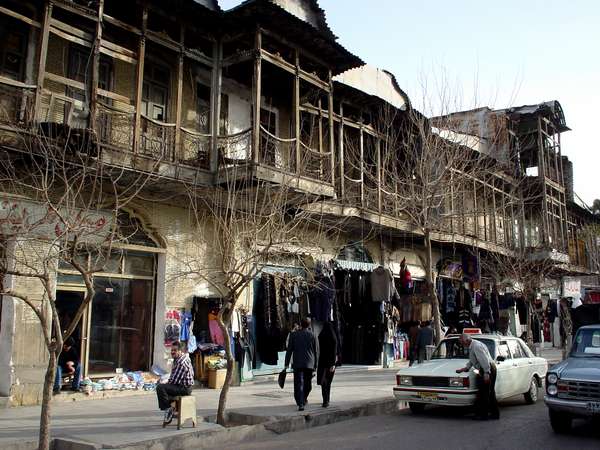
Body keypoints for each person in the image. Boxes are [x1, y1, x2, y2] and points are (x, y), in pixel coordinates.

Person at [456, 333, 499, 420]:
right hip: (484, 369)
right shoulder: (472, 346)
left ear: (467, 340)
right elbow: (473, 360)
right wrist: (465, 368)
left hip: (487, 368)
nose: (462, 344)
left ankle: (485, 415)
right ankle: (493, 414)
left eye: (462, 342)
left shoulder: (476, 346)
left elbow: (484, 360)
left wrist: (486, 373)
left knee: (485, 393)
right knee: (487, 392)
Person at [156, 341, 194, 424]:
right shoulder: (178, 359)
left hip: (185, 388)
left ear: (180, 351)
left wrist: (164, 383)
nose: (172, 352)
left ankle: (168, 409)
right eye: (172, 350)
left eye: (175, 350)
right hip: (181, 385)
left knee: (160, 388)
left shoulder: (181, 362)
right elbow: (173, 377)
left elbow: (174, 381)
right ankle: (170, 409)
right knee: (164, 391)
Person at [285, 317, 317, 411]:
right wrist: (316, 365)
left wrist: (286, 363)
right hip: (309, 364)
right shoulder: (313, 335)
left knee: (298, 384)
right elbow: (316, 351)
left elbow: (289, 350)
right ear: (309, 325)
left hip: (298, 363)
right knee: (308, 384)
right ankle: (302, 400)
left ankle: (301, 402)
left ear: (300, 324)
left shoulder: (293, 335)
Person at [317, 322, 339, 408]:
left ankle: (325, 400)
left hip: (322, 362)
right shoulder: (333, 338)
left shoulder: (321, 336)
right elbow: (334, 352)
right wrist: (333, 364)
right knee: (328, 382)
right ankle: (327, 400)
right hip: (330, 363)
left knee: (323, 382)